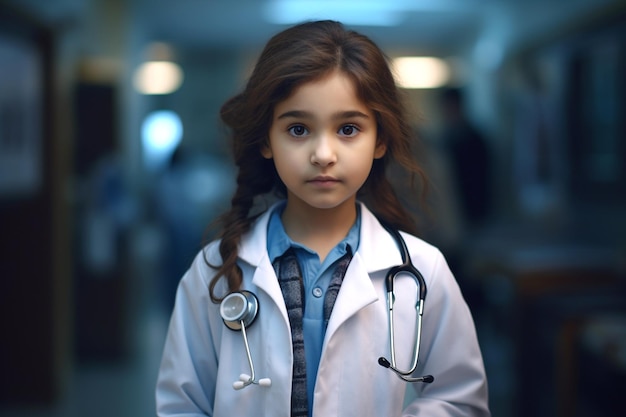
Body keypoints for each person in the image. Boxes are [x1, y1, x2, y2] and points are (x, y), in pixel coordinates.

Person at [156, 20, 490, 417]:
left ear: (379, 140)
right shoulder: (214, 271)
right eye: (298, 129)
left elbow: (459, 400)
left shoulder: (424, 271)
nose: (323, 154)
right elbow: (181, 405)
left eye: (348, 128)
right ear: (266, 140)